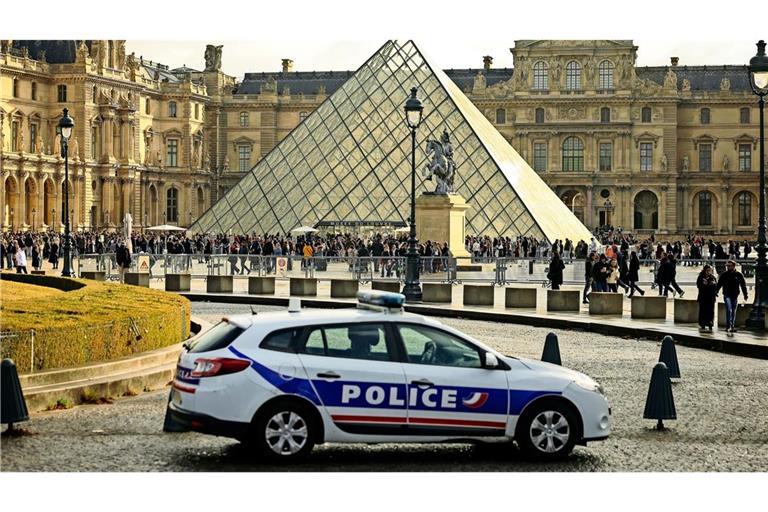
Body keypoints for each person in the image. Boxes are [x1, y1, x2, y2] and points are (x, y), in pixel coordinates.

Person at [716, 260, 748, 333]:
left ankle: (732, 326)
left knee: (733, 311)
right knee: (729, 309)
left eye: (730, 266)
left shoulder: (739, 275)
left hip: (735, 295)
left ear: (734, 266)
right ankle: (728, 326)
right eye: (727, 266)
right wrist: (716, 291)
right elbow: (719, 284)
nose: (728, 267)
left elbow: (743, 286)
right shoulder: (724, 274)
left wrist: (745, 295)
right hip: (727, 294)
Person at [696, 265, 718, 332]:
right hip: (703, 297)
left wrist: (713, 285)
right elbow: (699, 286)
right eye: (707, 270)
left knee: (711, 311)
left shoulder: (713, 278)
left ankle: (710, 323)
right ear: (705, 270)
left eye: (710, 270)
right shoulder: (701, 277)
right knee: (703, 310)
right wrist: (706, 285)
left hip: (711, 297)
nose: (709, 272)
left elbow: (716, 286)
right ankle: (702, 323)